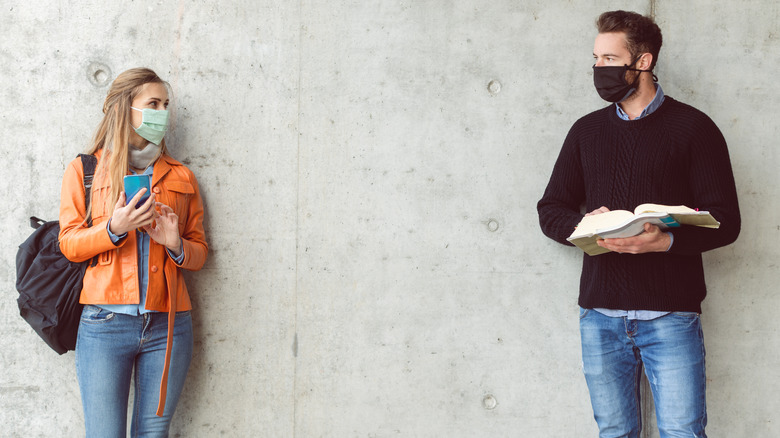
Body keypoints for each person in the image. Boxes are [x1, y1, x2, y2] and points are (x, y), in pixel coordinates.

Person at [537, 10, 740, 438]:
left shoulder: (694, 129)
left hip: (670, 313)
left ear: (643, 62)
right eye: (595, 58)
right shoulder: (585, 132)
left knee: (683, 432)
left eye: (609, 59)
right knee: (613, 432)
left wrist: (664, 241)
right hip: (599, 316)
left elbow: (727, 222)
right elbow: (550, 209)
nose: (598, 69)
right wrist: (582, 225)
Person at [59, 67, 208, 437]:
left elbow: (200, 252)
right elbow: (69, 244)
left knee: (153, 434)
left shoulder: (181, 176)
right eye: (152, 103)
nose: (162, 112)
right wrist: (114, 229)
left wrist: (175, 244)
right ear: (125, 109)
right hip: (105, 324)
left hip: (169, 325)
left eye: (166, 104)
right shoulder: (85, 170)